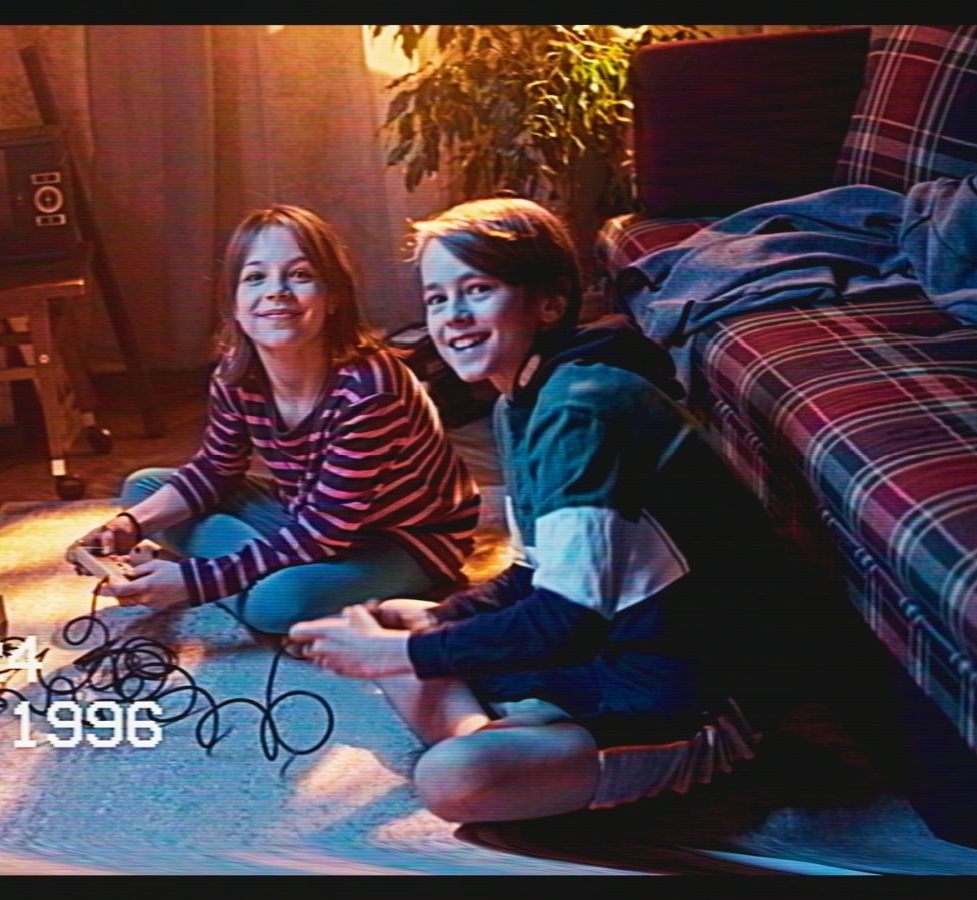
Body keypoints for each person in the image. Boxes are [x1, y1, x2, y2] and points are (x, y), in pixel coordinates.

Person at [287, 196, 789, 822]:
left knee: (451, 775)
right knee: (406, 627)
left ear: (549, 303)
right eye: (437, 299)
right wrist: (441, 618)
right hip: (607, 645)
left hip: (687, 688)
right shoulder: (520, 400)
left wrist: (403, 655)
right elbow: (532, 574)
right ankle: (517, 746)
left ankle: (509, 750)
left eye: (478, 290)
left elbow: (567, 620)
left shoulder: (580, 407)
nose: (453, 317)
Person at [77, 205, 480, 634]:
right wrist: (130, 525)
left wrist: (195, 583)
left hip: (404, 539)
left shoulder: (371, 390)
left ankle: (254, 572)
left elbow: (325, 531)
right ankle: (260, 566)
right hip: (306, 514)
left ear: (333, 297)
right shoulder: (237, 375)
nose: (277, 292)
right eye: (255, 277)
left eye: (300, 275)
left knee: (274, 605)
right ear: (234, 304)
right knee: (142, 490)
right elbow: (217, 468)